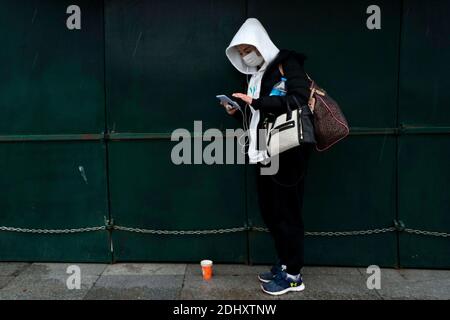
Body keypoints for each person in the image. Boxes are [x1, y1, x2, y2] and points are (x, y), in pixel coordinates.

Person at [220, 18, 315, 295]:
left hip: (287, 150)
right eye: (241, 51)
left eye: (248, 48)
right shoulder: (256, 75)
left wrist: (258, 103)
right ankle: (284, 263)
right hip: (262, 149)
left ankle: (294, 275)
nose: (245, 54)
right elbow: (258, 114)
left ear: (261, 44)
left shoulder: (288, 64)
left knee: (288, 211)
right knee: (270, 210)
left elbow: (298, 99)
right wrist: (238, 111)